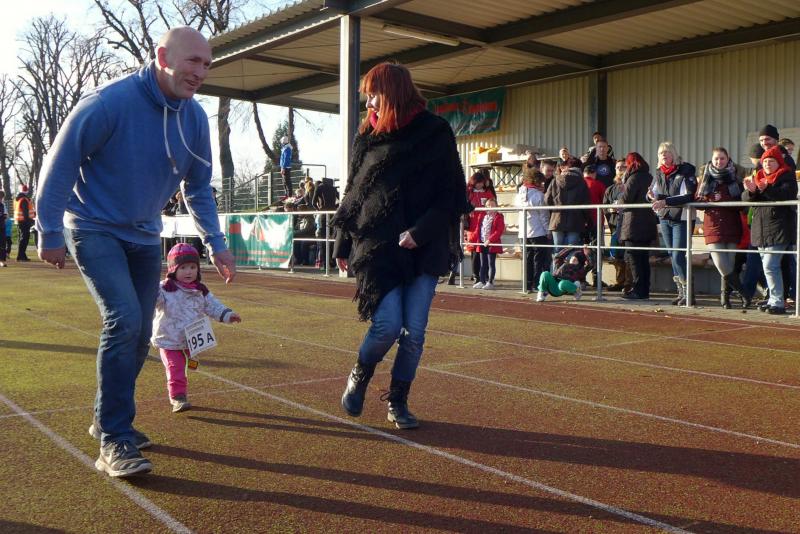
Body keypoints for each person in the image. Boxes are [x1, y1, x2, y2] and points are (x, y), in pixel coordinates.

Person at [35, 27, 236, 478]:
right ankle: (114, 438)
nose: (200, 72)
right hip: (93, 227)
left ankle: (106, 419)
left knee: (142, 329)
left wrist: (216, 244)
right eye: (192, 61)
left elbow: (198, 187)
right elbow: (60, 163)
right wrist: (47, 230)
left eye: (207, 64)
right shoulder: (107, 104)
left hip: (146, 235)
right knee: (124, 319)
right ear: (163, 56)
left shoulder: (195, 119)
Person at [332, 62, 470, 430]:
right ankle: (360, 374)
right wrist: (342, 244)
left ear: (393, 92)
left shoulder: (435, 132)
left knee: (414, 333)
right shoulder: (367, 137)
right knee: (387, 326)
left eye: (373, 94)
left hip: (424, 246)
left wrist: (420, 232)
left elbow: (452, 195)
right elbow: (354, 192)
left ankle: (398, 401)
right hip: (378, 248)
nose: (369, 102)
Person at [151, 243, 241, 412]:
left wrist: (228, 315)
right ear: (173, 269)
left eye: (193, 267)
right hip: (169, 339)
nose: (189, 272)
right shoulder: (165, 289)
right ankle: (178, 397)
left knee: (189, 363)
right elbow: (150, 298)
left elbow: (213, 306)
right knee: (175, 367)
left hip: (190, 339)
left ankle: (183, 380)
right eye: (183, 267)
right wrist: (148, 285)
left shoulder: (200, 290)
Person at [742, 145, 798, 315]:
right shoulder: (758, 176)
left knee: (770, 265)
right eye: (765, 161)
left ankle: (778, 302)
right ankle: (774, 300)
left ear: (779, 162)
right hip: (761, 228)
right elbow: (745, 200)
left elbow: (786, 195)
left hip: (779, 228)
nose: (767, 164)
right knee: (768, 266)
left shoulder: (786, 176)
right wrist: (751, 191)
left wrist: (766, 188)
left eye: (771, 161)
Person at [695, 147, 746, 309]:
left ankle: (725, 297)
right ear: (712, 159)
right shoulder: (705, 176)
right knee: (721, 264)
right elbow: (698, 202)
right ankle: (743, 292)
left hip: (732, 226)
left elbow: (741, 203)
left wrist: (723, 198)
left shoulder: (736, 177)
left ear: (728, 158)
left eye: (722, 158)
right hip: (713, 226)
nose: (719, 161)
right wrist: (710, 198)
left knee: (730, 263)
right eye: (716, 158)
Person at [650, 141, 697, 306]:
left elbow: (688, 195)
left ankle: (689, 292)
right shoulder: (658, 173)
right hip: (665, 217)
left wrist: (665, 201)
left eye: (667, 152)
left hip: (682, 218)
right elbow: (654, 193)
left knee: (678, 255)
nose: (664, 155)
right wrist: (650, 196)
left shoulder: (686, 170)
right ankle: (681, 292)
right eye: (661, 153)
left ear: (674, 154)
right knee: (672, 255)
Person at [619, 152, 658, 300]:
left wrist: (618, 203)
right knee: (643, 259)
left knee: (634, 258)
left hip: (633, 224)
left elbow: (626, 199)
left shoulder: (633, 178)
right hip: (648, 223)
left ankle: (638, 290)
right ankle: (644, 289)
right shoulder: (649, 177)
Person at [545, 157, 590, 255]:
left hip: (557, 219)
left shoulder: (555, 180)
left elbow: (547, 200)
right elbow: (586, 203)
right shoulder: (582, 182)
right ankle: (569, 265)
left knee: (557, 251)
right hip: (576, 220)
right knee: (571, 251)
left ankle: (556, 265)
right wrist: (586, 219)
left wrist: (554, 211)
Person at [515, 169, 550, 292]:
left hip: (523, 232)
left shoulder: (518, 195)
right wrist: (548, 231)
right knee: (538, 261)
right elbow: (543, 215)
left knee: (527, 260)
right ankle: (536, 284)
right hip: (538, 231)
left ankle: (527, 284)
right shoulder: (539, 195)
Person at [603, 160, 632, 292]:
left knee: (627, 254)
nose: (621, 169)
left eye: (623, 167)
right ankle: (619, 281)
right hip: (615, 225)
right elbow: (604, 207)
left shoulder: (630, 186)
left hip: (629, 226)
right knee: (616, 254)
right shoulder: (610, 189)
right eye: (618, 167)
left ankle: (628, 283)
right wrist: (611, 210)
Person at [465, 171, 496, 281]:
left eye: (481, 182)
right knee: (474, 250)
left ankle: (484, 275)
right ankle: (475, 275)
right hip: (473, 226)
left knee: (484, 250)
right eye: (477, 182)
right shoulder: (469, 192)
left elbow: (493, 203)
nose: (479, 185)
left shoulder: (487, 192)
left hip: (485, 224)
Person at [468, 197, 504, 290]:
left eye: (492, 205)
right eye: (488, 205)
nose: (490, 207)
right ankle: (482, 281)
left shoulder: (499, 216)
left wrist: (490, 240)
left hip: (491, 244)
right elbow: (478, 229)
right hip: (482, 243)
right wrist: (471, 239)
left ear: (496, 206)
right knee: (482, 263)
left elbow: (499, 231)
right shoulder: (482, 216)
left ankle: (490, 282)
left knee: (491, 264)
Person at [14, 184, 35, 261]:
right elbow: (25, 213)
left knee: (22, 239)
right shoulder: (24, 200)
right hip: (24, 222)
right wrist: (31, 221)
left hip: (19, 221)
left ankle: (22, 255)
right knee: (24, 239)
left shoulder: (18, 199)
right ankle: (20, 256)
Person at [0, 190, 7, 267]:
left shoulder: (3, 205)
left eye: (2, 197)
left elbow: (5, 215)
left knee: (2, 244)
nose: (1, 199)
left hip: (2, 226)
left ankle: (2, 260)